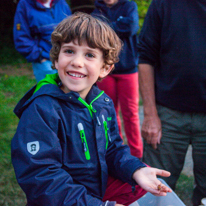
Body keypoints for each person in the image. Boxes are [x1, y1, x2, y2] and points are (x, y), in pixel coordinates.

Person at [11, 13, 172, 206]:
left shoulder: (102, 103)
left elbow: (112, 149)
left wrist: (135, 169)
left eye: (89, 55)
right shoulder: (42, 108)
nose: (77, 62)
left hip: (94, 192)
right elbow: (41, 177)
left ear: (105, 68)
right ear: (55, 59)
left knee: (139, 180)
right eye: (69, 51)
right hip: (63, 200)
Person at [137, 0, 206, 205]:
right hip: (168, 115)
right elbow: (145, 58)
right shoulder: (164, 3)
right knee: (155, 190)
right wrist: (150, 115)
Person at [92, 0, 143, 159]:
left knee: (131, 114)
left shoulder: (129, 5)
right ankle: (117, 153)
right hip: (106, 70)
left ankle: (137, 154)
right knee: (109, 113)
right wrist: (120, 23)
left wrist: (107, 27)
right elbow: (95, 34)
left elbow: (132, 27)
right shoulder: (96, 11)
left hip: (128, 69)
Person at [13, 0, 71, 82]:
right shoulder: (25, 4)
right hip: (45, 62)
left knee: (70, 93)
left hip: (66, 60)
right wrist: (40, 57)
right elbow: (21, 37)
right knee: (48, 92)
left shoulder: (61, 2)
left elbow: (72, 30)